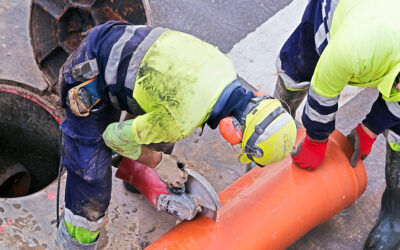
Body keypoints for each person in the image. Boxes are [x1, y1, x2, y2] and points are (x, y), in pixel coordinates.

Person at [56, 21, 297, 249]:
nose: (233, 144)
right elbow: (113, 137)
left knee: (160, 130)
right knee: (90, 175)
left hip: (128, 51)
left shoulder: (224, 68)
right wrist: (158, 162)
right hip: (91, 72)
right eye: (239, 142)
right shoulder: (182, 117)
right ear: (233, 128)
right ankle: (73, 242)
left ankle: (137, 176)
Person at [274, 0, 400, 249]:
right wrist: (316, 139)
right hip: (341, 15)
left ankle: (394, 213)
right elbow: (324, 89)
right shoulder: (355, 46)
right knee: (298, 69)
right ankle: (270, 136)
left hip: (385, 41)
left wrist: (369, 130)